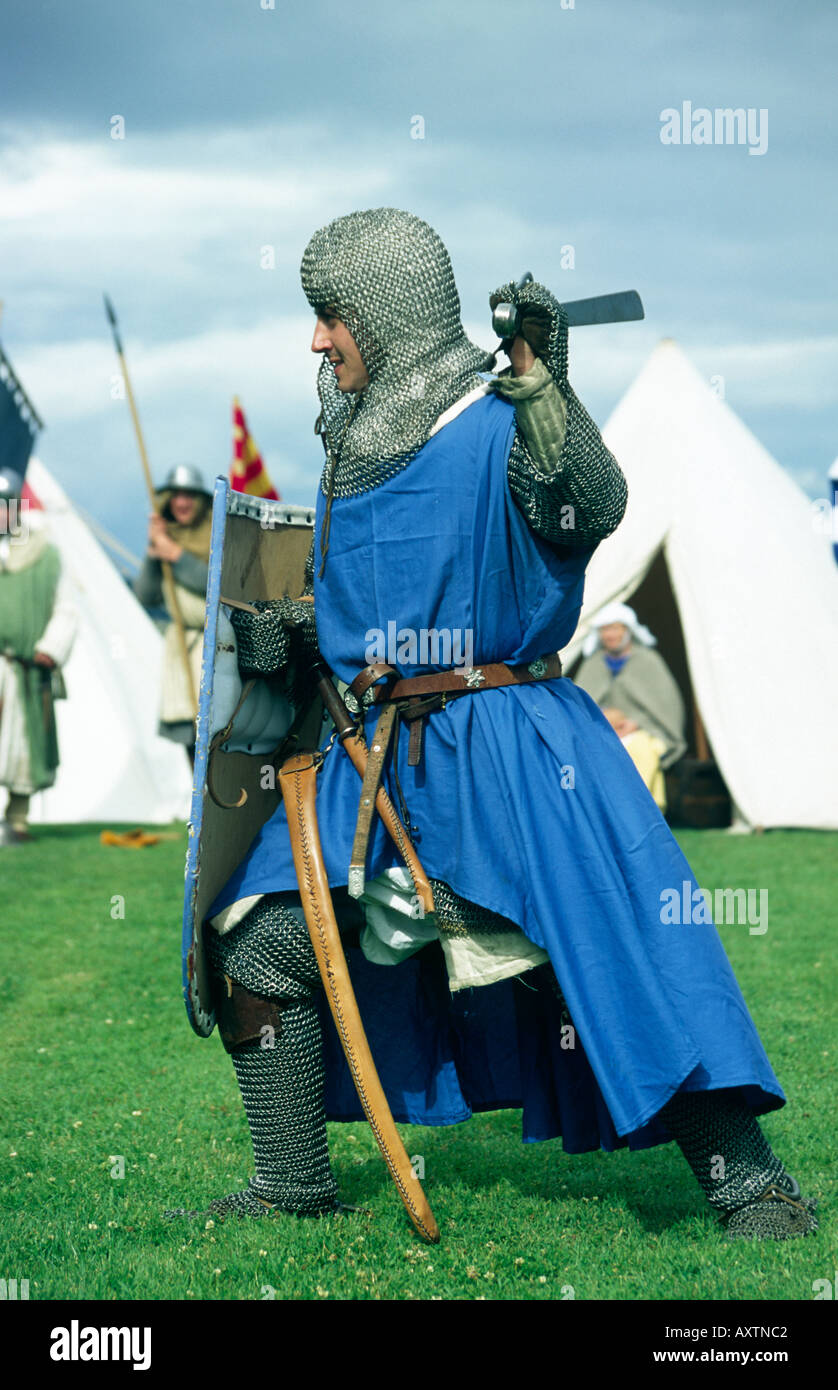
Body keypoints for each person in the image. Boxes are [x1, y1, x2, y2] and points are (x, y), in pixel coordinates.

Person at [175, 209, 816, 1242]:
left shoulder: (500, 415)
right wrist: (291, 627)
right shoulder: (346, 452)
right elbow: (356, 595)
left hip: (508, 747)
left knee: (607, 948)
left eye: (330, 316)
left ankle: (750, 1183)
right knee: (260, 942)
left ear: (389, 314)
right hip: (365, 755)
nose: (315, 340)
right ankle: (291, 1182)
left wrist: (550, 400)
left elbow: (584, 507)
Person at [0, 468, 76, 843]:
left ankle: (16, 819)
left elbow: (65, 608)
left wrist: (50, 647)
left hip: (25, 669)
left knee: (24, 744)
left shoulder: (44, 553)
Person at [134, 465, 212, 763]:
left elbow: (216, 585)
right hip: (182, 646)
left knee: (216, 730)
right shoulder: (166, 537)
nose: (182, 503)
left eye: (189, 496)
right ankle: (197, 806)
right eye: (177, 496)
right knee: (187, 734)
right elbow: (147, 595)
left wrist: (177, 556)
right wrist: (156, 554)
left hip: (216, 641)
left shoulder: (218, 534)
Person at [574, 603, 687, 809]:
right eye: (605, 630)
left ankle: (641, 809)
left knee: (641, 750)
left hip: (645, 730)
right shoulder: (593, 664)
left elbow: (665, 707)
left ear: (628, 630)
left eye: (615, 628)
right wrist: (605, 722)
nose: (610, 635)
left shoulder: (648, 661)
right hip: (602, 730)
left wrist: (636, 723)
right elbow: (581, 705)